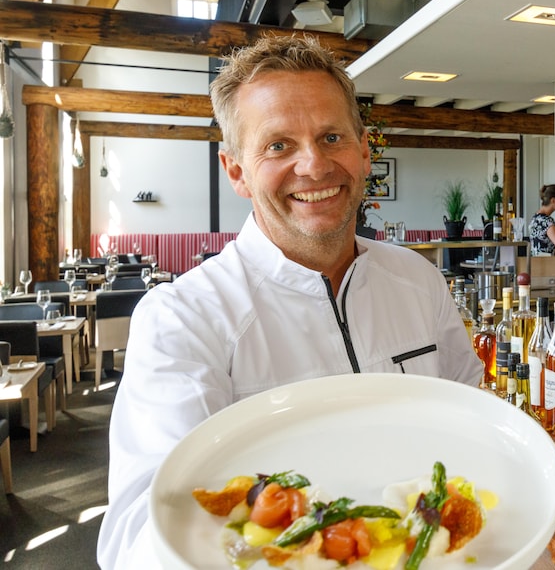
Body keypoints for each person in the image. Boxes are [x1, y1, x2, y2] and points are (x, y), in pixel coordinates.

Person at [97, 36, 482, 569]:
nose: (314, 166)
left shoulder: (419, 280)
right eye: (278, 146)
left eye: (331, 137)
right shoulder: (183, 319)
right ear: (236, 171)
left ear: (364, 150)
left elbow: (476, 430)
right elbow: (139, 538)